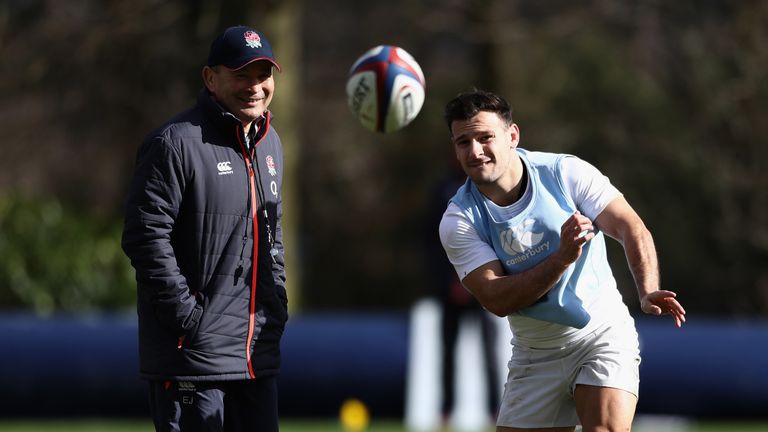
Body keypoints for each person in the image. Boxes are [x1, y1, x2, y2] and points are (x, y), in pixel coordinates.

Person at [438, 90, 686, 432]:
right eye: (463, 141)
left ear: (512, 136)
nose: (475, 151)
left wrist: (647, 290)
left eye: (485, 137)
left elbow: (631, 227)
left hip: (600, 335)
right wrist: (561, 259)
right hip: (534, 352)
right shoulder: (459, 220)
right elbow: (496, 298)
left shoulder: (564, 173)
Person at [122, 25, 288, 432]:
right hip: (194, 356)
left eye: (263, 75)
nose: (255, 87)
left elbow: (272, 236)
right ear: (210, 78)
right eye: (241, 75)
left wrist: (277, 306)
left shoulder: (271, 144)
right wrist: (187, 317)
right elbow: (145, 238)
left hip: (254, 355)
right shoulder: (174, 143)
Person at [425, 162, 499, 425]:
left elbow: (492, 237)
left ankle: (496, 414)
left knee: (489, 353)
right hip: (450, 291)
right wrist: (450, 281)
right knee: (448, 354)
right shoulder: (442, 190)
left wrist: (481, 279)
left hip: (483, 288)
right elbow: (432, 241)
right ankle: (445, 415)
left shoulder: (487, 188)